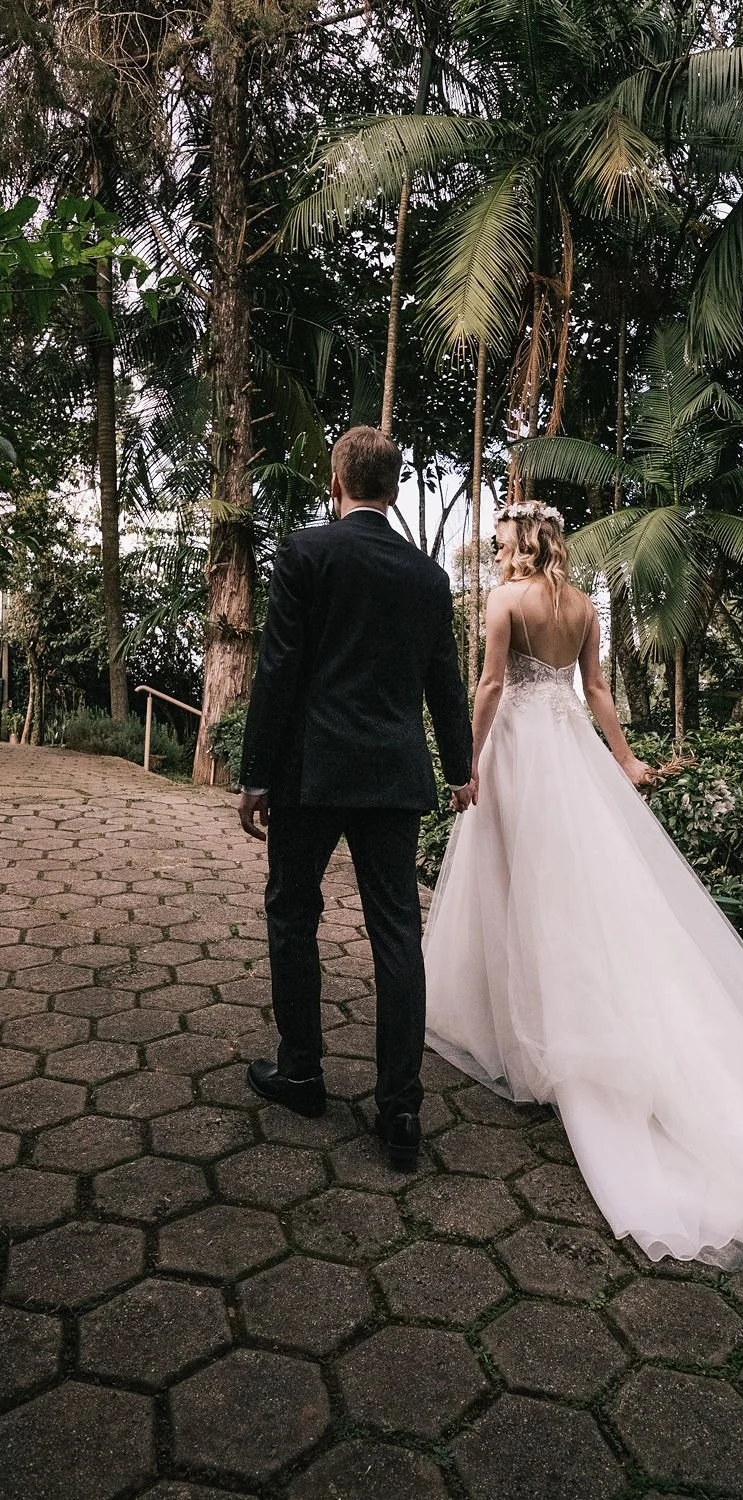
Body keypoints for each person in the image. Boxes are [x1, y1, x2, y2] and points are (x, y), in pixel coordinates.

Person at [423, 498, 743, 1269]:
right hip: (569, 755)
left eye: (502, 538)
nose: (500, 550)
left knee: (523, 891)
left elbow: (490, 688)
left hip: (519, 756)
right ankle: (538, 1025)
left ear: (517, 542)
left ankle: (537, 1037)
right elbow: (597, 691)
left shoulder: (505, 600)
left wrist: (467, 766)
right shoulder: (580, 606)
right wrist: (627, 761)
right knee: (575, 899)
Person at [238, 426, 473, 1167]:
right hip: (394, 778)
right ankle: (400, 1112)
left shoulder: (306, 552)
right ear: (394, 489)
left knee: (293, 910)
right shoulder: (429, 579)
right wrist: (462, 768)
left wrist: (255, 776)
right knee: (398, 935)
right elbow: (445, 684)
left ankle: (302, 1071)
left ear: (335, 485)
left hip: (313, 773)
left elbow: (278, 671)